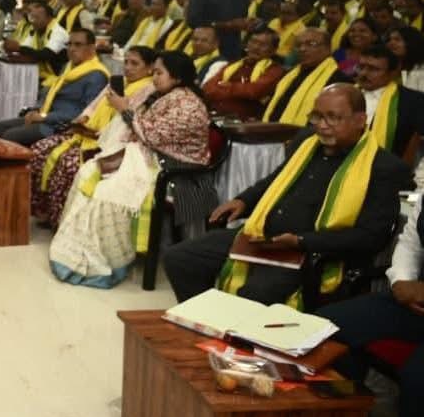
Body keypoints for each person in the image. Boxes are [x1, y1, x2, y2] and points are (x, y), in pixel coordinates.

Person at [164, 85, 409, 307]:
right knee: (180, 258)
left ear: (360, 120)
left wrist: (301, 241)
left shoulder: (383, 166)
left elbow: (370, 237)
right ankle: (205, 322)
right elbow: (276, 180)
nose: (322, 125)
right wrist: (244, 201)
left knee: (254, 294)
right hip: (263, 236)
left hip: (311, 252)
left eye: (333, 117)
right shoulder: (306, 142)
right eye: (317, 116)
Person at [49, 51, 212, 288]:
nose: (154, 78)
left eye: (159, 73)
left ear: (176, 77)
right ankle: (76, 250)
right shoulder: (164, 95)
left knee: (109, 193)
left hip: (175, 169)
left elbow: (151, 135)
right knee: (88, 174)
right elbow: (144, 130)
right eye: (154, 72)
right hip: (150, 157)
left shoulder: (187, 104)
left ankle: (106, 260)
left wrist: (124, 109)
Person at [318, 195, 424, 417]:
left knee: (418, 378)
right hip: (415, 302)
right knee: (326, 327)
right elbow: (411, 241)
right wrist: (401, 281)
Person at [25, 46, 157, 227]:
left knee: (68, 163)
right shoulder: (118, 81)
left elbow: (128, 121)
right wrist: (83, 118)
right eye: (126, 62)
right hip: (86, 132)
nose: (128, 67)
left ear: (150, 68)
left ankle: (64, 221)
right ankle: (44, 211)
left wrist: (99, 129)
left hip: (111, 141)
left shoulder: (148, 89)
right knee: (40, 149)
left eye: (135, 64)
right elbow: (94, 105)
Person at [0, 28, 108, 146]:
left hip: (60, 126)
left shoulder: (96, 76)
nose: (72, 49)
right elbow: (50, 91)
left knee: (10, 136)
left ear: (92, 48)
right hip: (46, 117)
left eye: (78, 45)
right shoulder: (69, 66)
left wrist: (44, 117)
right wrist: (36, 109)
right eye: (69, 44)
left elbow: (84, 115)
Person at [261, 28, 350, 125]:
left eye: (311, 44)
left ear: (327, 48)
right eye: (299, 45)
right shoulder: (289, 74)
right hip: (270, 132)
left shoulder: (339, 79)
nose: (302, 49)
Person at [354, 44, 424, 159]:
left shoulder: (414, 101)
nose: (363, 74)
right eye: (361, 67)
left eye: (373, 69)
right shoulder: (343, 93)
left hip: (388, 166)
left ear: (393, 73)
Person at [203, 29, 284, 120]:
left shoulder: (274, 70)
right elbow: (207, 88)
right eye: (253, 42)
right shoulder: (233, 65)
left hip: (246, 122)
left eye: (263, 45)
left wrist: (227, 87)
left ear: (273, 50)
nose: (255, 47)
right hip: (215, 115)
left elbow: (253, 91)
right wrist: (236, 89)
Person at [4, 0, 70, 90]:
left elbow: (45, 55)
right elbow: (26, 47)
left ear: (49, 18)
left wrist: (18, 48)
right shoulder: (36, 30)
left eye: (37, 18)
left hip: (56, 77)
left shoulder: (58, 32)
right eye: (32, 17)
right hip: (39, 73)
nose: (33, 21)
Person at [389, 26, 424, 93]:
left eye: (397, 40)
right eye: (390, 39)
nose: (391, 43)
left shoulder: (421, 69)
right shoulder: (387, 67)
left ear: (411, 42)